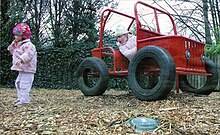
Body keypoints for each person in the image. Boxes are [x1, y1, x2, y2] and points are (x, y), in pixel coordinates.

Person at [7, 23, 37, 107]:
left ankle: (25, 101)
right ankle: (21, 98)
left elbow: (28, 54)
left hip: (28, 69)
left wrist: (21, 59)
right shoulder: (19, 45)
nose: (15, 37)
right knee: (18, 83)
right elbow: (12, 51)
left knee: (24, 85)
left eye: (17, 35)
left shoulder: (29, 45)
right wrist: (13, 45)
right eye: (15, 35)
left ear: (23, 36)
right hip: (22, 69)